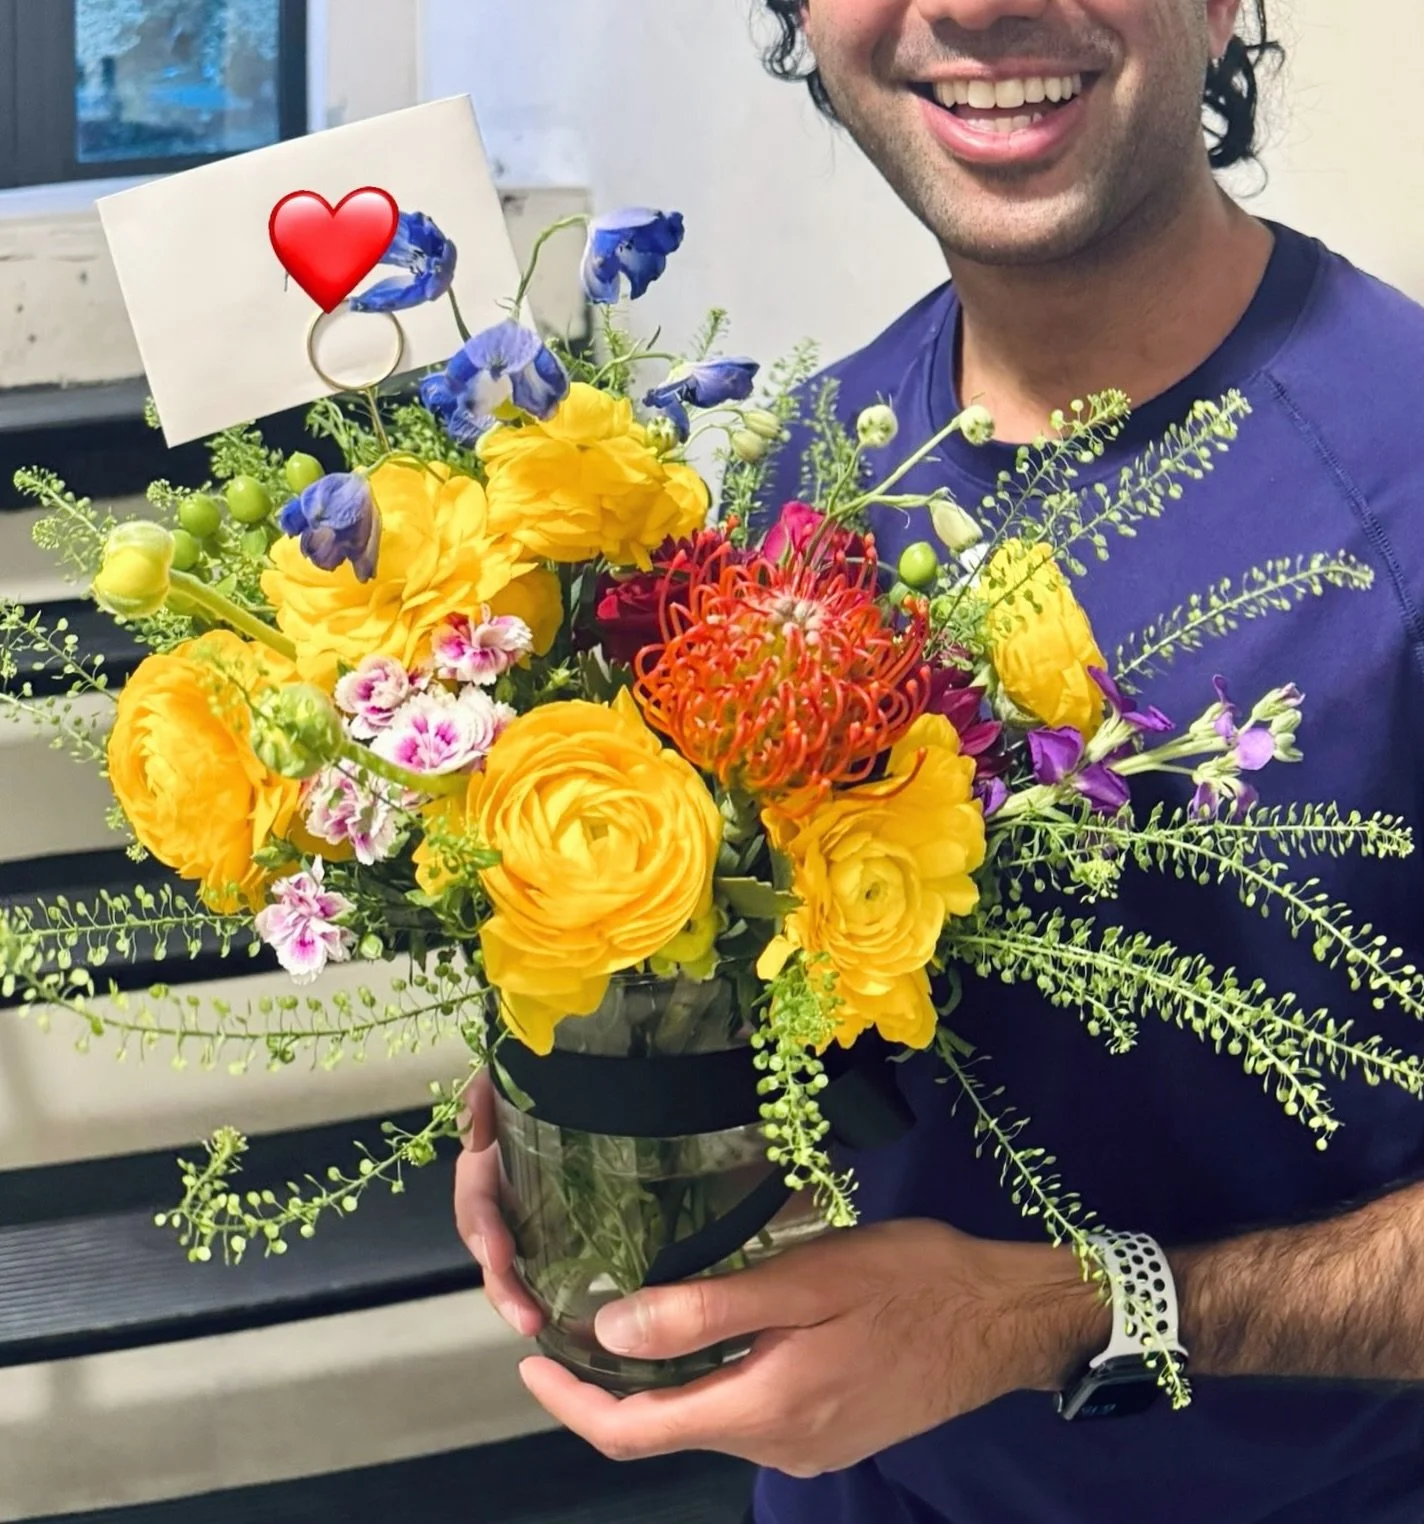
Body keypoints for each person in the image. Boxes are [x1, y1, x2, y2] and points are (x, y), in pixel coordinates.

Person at [456, 3, 1424, 1520]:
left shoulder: (1399, 471)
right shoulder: (808, 476)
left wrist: (1045, 1315)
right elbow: (809, 1015)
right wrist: (590, 1085)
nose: (974, 5)